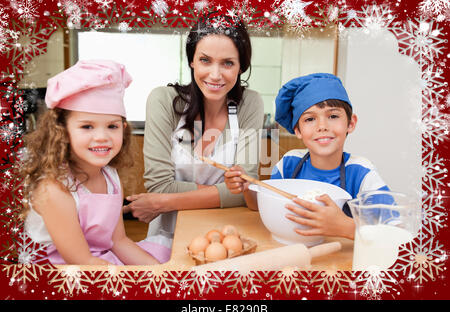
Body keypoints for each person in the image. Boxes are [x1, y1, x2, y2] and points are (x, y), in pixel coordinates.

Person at [123, 13, 264, 258]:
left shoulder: (249, 104)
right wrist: (223, 192)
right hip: (168, 236)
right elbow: (160, 186)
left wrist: (163, 202)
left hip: (228, 234)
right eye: (205, 60)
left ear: (242, 65)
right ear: (192, 62)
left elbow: (246, 187)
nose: (215, 74)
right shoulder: (163, 101)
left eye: (228, 63)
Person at [20, 60, 170, 265]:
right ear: (61, 130)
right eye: (87, 126)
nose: (102, 137)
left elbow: (119, 241)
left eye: (112, 126)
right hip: (62, 273)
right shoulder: (53, 189)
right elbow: (83, 263)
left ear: (123, 129)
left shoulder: (110, 175)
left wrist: (161, 274)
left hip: (98, 260)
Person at [224, 73, 389, 240]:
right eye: (310, 119)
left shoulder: (361, 173)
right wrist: (246, 188)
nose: (322, 126)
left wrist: (344, 226)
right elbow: (260, 206)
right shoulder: (288, 164)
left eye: (333, 116)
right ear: (298, 130)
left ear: (351, 123)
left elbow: (394, 229)